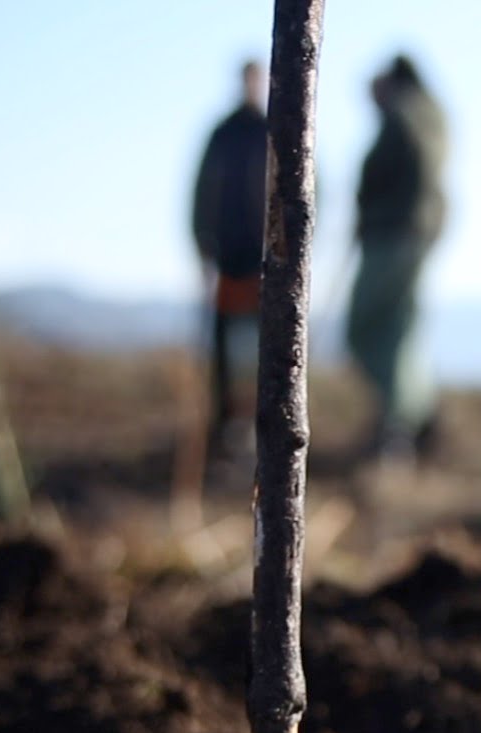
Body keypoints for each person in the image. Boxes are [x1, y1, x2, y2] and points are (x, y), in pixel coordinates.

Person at [347, 53, 449, 462]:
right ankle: (413, 418)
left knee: (369, 329)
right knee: (400, 329)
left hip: (394, 237)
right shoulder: (430, 114)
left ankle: (400, 423)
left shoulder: (405, 116)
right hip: (413, 235)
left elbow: (407, 170)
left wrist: (379, 214)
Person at [191, 60, 270, 463]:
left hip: (267, 261)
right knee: (222, 346)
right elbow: (203, 189)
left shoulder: (274, 131)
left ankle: (263, 424)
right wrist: (202, 241)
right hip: (228, 255)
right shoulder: (222, 134)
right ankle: (224, 425)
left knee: (268, 347)